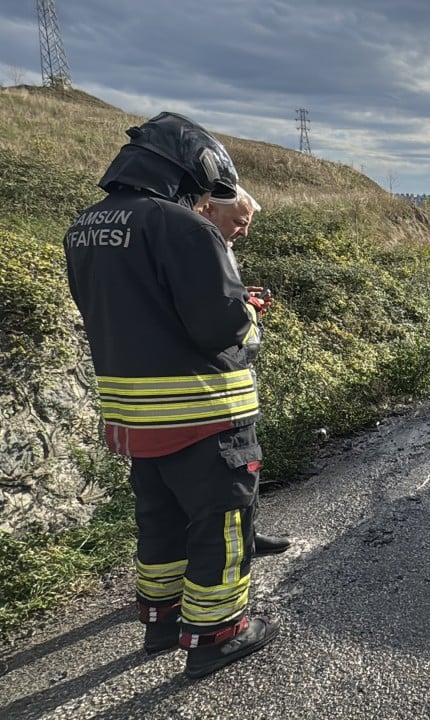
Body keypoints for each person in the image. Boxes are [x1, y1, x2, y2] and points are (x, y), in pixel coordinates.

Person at [63, 112, 278, 678]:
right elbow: (222, 327)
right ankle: (218, 634)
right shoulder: (182, 226)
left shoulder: (84, 227)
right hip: (204, 412)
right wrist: (251, 314)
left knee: (161, 520)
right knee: (222, 522)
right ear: (188, 168)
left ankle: (161, 621)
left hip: (134, 415)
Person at [196, 184, 292, 556]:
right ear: (208, 210)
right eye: (239, 221)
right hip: (216, 390)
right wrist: (247, 308)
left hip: (233, 377)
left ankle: (247, 535)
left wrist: (241, 298)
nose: (245, 231)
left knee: (242, 467)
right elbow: (216, 322)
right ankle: (233, 550)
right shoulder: (198, 248)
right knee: (232, 472)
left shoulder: (218, 248)